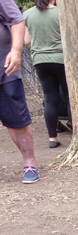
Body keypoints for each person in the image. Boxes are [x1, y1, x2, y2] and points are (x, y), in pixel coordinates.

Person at [0, 0, 39, 183]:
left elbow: (17, 20)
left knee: (16, 121)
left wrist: (16, 51)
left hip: (4, 70)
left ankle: (29, 162)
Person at [24, 0, 70, 149]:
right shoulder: (61, 13)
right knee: (70, 97)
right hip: (61, 59)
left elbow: (27, 42)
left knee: (50, 98)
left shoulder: (27, 14)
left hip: (40, 60)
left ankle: (52, 138)